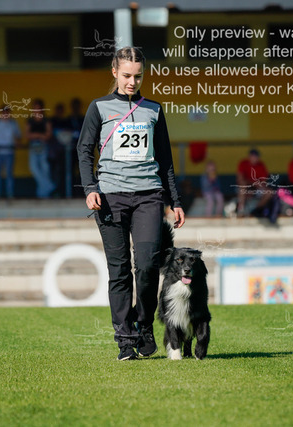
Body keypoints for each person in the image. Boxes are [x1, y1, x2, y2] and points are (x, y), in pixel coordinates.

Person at [77, 46, 185, 361]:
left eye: (137, 76)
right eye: (126, 75)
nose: (132, 82)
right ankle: (125, 341)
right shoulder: (99, 107)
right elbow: (84, 149)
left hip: (149, 195)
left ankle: (144, 324)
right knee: (120, 270)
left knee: (148, 265)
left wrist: (175, 200)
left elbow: (165, 158)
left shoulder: (154, 109)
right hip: (110, 197)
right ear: (114, 72)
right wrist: (90, 187)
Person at [26, 99, 55, 199]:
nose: (36, 111)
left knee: (44, 168)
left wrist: (36, 135)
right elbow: (27, 135)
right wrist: (40, 135)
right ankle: (49, 186)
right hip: (33, 145)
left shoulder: (46, 120)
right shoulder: (30, 120)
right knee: (34, 167)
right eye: (35, 109)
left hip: (43, 145)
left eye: (38, 109)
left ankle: (42, 194)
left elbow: (48, 135)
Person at [236, 148, 273, 216]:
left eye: (256, 156)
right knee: (243, 186)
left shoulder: (261, 165)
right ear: (249, 156)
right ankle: (240, 210)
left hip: (256, 188)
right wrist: (250, 186)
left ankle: (255, 210)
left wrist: (254, 188)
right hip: (245, 187)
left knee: (269, 192)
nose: (254, 158)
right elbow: (240, 179)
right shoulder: (243, 163)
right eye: (253, 156)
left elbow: (263, 182)